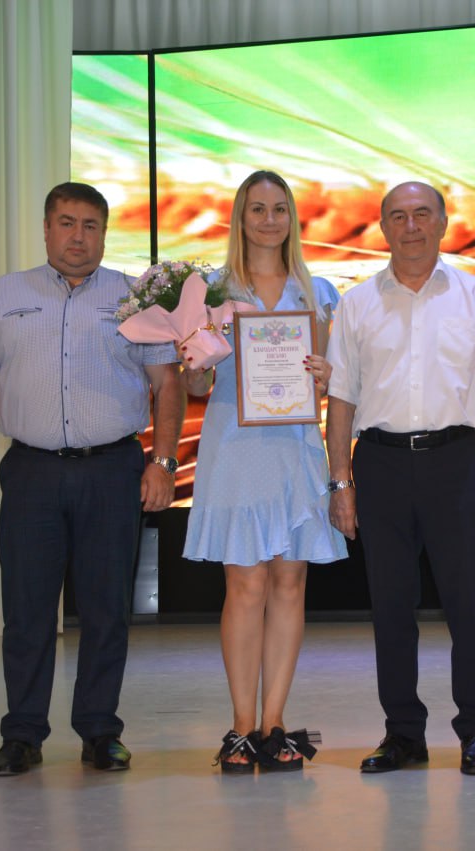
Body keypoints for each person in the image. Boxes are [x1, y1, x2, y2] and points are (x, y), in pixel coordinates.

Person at [0, 182, 185, 776]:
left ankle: (100, 731)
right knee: (27, 610)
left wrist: (162, 462)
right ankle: (22, 734)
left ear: (104, 233)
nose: (79, 237)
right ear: (47, 228)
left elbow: (167, 383)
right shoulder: (5, 295)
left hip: (112, 471)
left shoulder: (133, 298)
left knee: (107, 609)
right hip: (31, 472)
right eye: (67, 223)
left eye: (91, 226)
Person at [324, 181, 475, 776]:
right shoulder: (357, 304)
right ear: (383, 227)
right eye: (397, 216)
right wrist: (341, 483)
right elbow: (341, 398)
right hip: (380, 465)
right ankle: (403, 734)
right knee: (390, 607)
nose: (410, 226)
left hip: (456, 462)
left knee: (469, 605)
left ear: (442, 223)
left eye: (421, 215)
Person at [182, 170, 346, 773]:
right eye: (258, 209)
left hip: (295, 451)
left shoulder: (316, 291)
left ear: (292, 218)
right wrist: (195, 359)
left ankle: (275, 723)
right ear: (240, 217)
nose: (270, 220)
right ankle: (241, 726)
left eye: (280, 209)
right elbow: (196, 385)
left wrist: (327, 376)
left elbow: (328, 379)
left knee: (289, 585)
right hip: (235, 449)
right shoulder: (211, 290)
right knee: (245, 588)